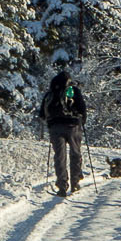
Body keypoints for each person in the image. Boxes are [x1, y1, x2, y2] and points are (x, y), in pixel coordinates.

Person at [41, 63, 88, 196]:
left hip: (55, 127)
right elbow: (82, 109)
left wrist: (50, 123)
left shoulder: (51, 92)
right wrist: (81, 121)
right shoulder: (73, 91)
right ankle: (75, 183)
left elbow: (42, 113)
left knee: (59, 156)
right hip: (73, 126)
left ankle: (62, 186)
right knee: (75, 154)